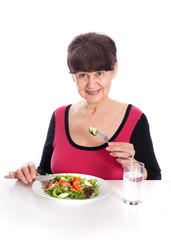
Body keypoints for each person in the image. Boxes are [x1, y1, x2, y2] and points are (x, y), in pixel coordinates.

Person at [9, 32, 161, 184]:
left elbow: (155, 177)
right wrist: (28, 174)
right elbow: (46, 172)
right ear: (73, 76)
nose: (91, 84)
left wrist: (133, 165)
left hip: (115, 208)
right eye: (83, 75)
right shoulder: (60, 116)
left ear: (114, 70)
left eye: (99, 73)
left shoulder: (134, 118)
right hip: (61, 208)